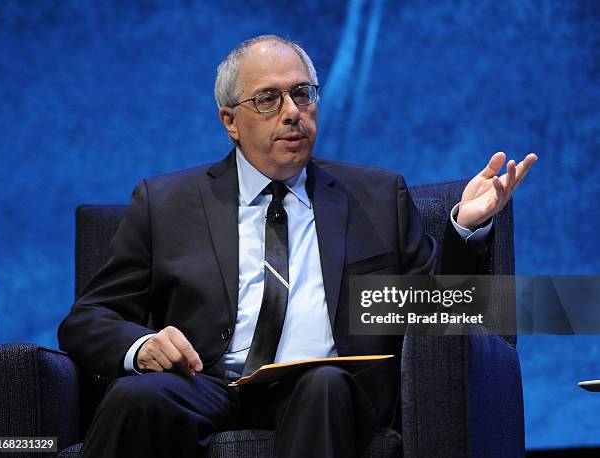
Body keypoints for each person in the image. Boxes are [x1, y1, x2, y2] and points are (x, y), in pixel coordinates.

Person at [58, 35, 536, 458]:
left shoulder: (375, 196)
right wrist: (141, 346)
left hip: (329, 390)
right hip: (207, 383)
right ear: (230, 120)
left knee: (323, 385)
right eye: (268, 99)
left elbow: (434, 310)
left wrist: (464, 229)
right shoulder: (165, 204)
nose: (292, 112)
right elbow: (87, 320)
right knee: (136, 397)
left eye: (302, 94)